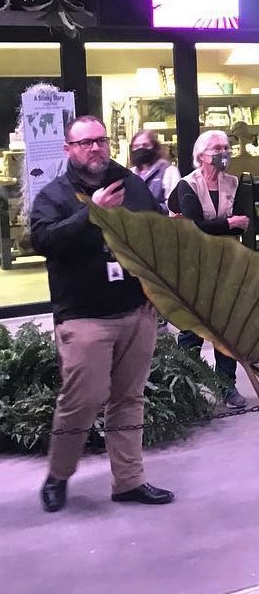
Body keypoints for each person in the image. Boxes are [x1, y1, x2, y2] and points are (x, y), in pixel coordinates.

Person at [28, 115, 174, 512]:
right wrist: (91, 212)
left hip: (136, 311)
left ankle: (128, 481)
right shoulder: (54, 196)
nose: (95, 148)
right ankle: (59, 475)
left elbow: (156, 236)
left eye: (101, 141)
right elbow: (43, 240)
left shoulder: (132, 186)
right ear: (69, 150)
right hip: (84, 317)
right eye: (85, 142)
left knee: (129, 399)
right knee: (83, 399)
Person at [168, 130, 251, 408]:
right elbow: (193, 227)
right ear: (202, 155)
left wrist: (225, 227)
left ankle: (226, 386)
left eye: (226, 147)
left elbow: (245, 219)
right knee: (192, 328)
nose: (224, 152)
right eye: (218, 148)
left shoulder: (235, 182)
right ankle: (184, 387)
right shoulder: (187, 185)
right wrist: (227, 225)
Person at [129, 129, 180, 214]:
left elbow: (173, 207)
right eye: (136, 146)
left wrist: (153, 209)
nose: (141, 149)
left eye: (145, 145)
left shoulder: (169, 171)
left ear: (155, 147)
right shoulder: (130, 173)